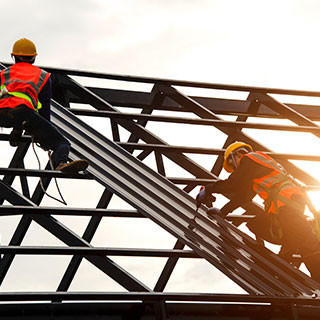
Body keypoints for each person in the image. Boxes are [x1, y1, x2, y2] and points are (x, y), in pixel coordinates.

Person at [196, 141, 320, 282]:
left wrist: (209, 188)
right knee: (258, 225)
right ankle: (281, 270)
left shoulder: (249, 159)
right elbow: (244, 196)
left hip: (287, 205)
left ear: (237, 154)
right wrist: (223, 212)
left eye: (232, 164)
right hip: (288, 205)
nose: (235, 168)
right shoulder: (258, 167)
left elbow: (233, 184)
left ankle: (308, 280)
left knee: (308, 245)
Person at [0, 38, 88, 173]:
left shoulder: (3, 73)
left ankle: (18, 128)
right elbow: (44, 107)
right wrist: (43, 132)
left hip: (2, 111)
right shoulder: (43, 76)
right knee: (62, 143)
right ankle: (61, 163)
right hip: (24, 112)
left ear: (14, 57)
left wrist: (16, 129)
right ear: (34, 58)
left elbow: (9, 102)